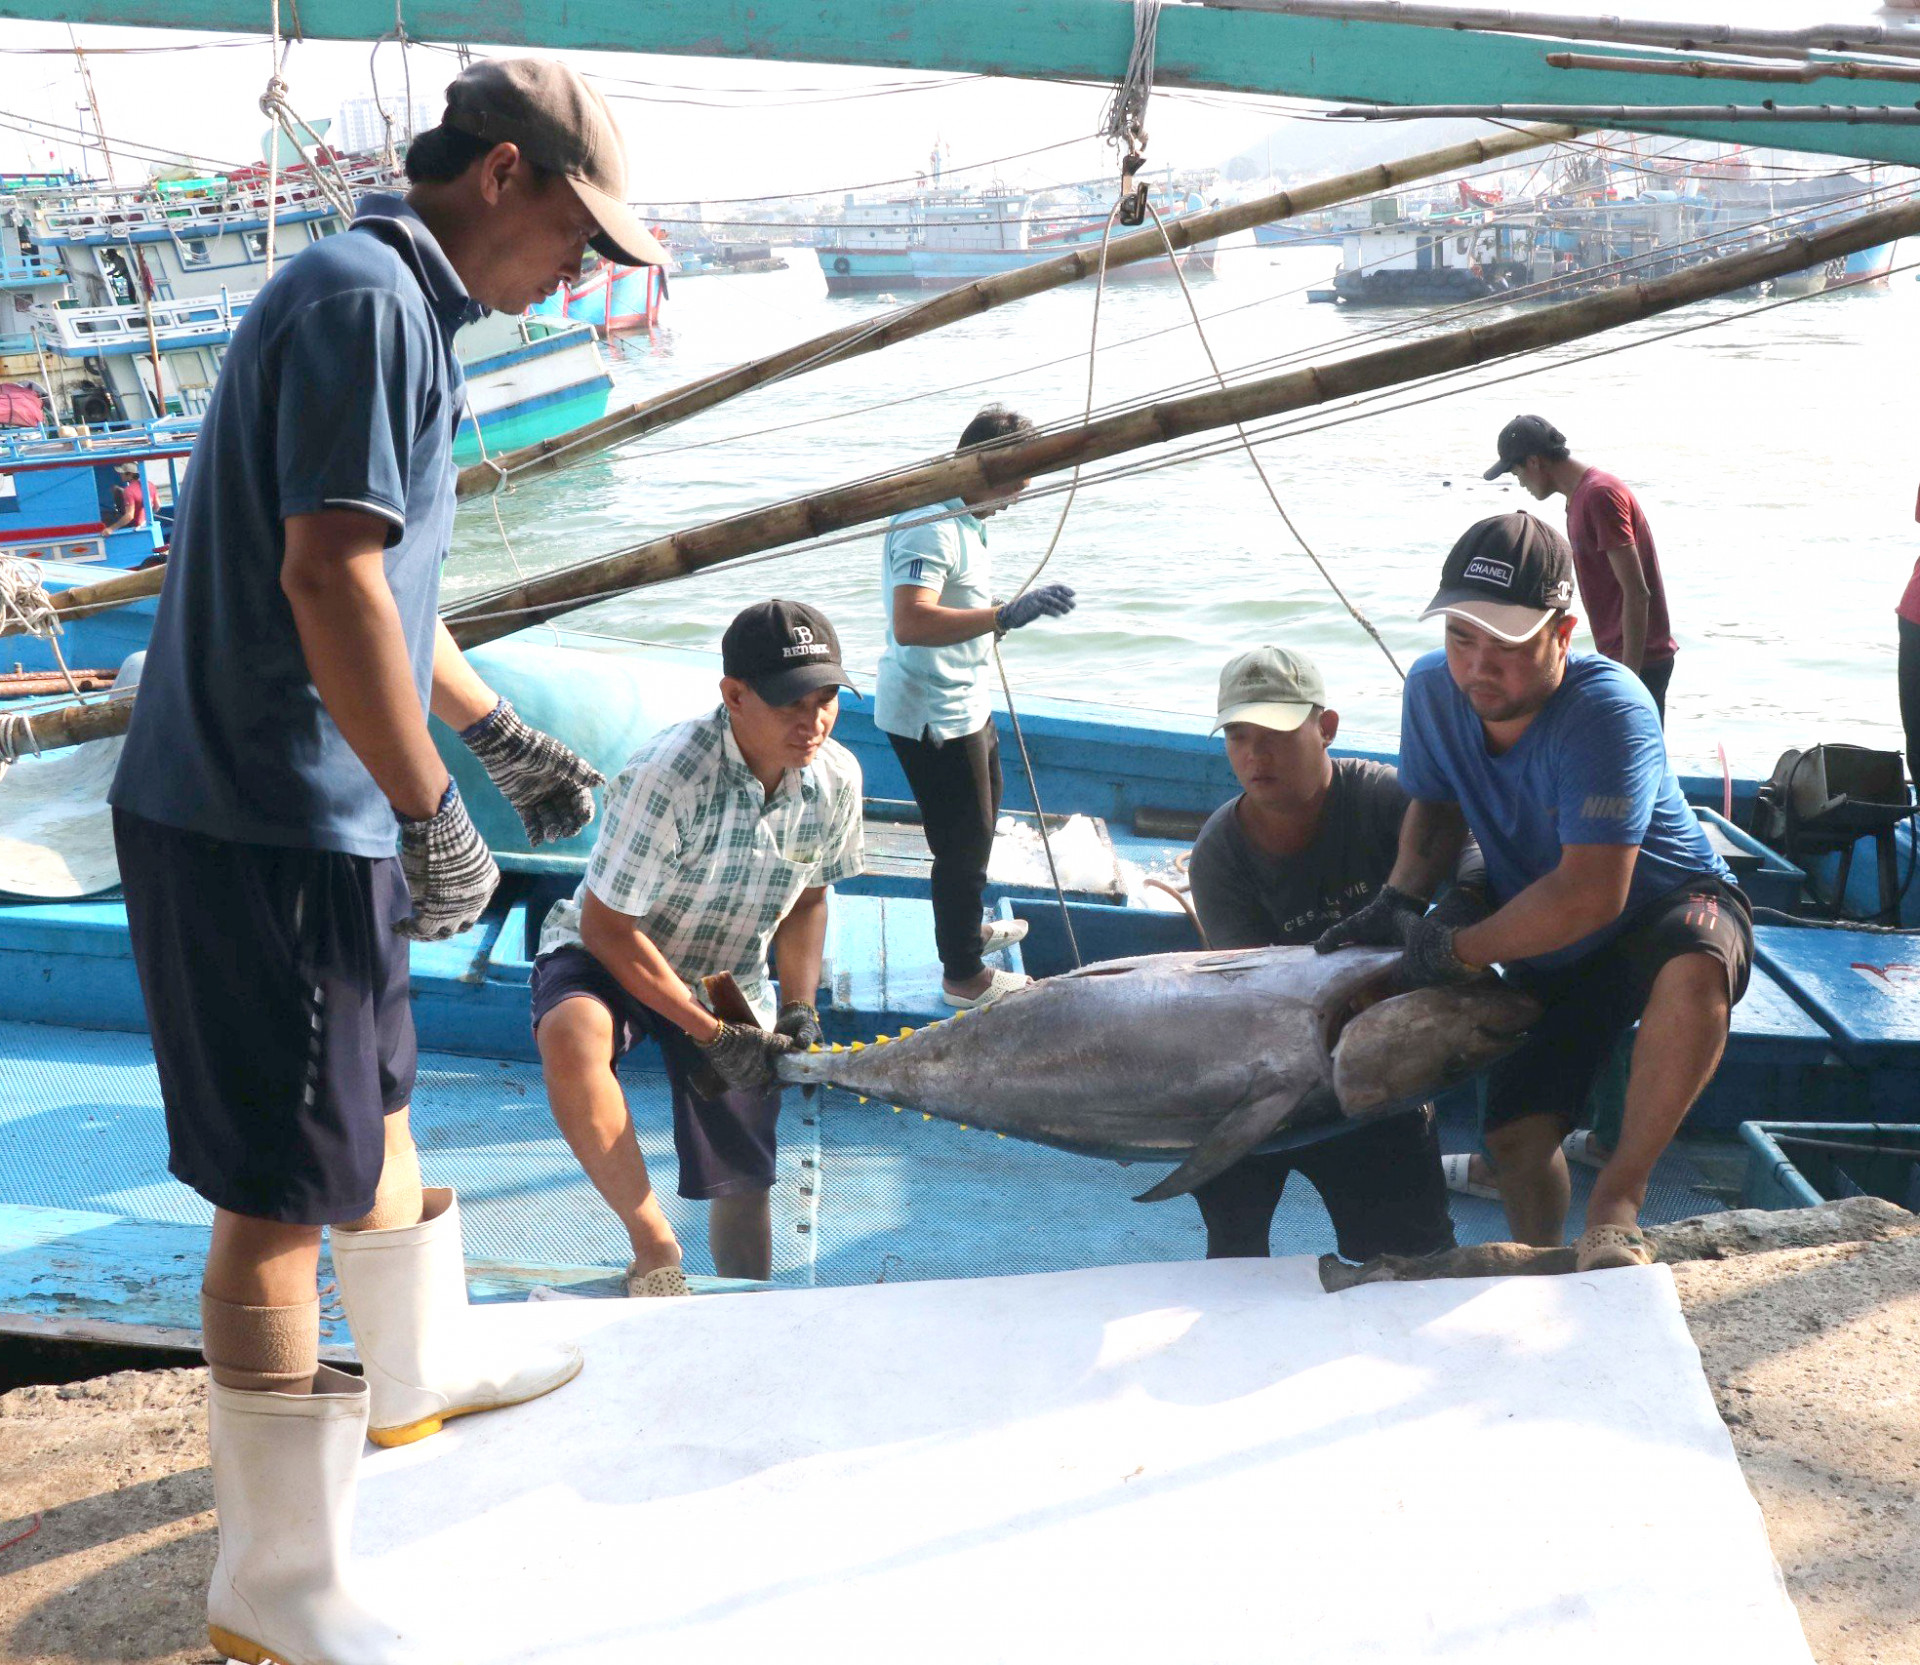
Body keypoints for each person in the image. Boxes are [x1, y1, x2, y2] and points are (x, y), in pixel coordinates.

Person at [106, 58, 662, 1662]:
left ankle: (413, 1376)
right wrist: (431, 810)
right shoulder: (366, 304)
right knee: (279, 1191)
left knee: (379, 1095)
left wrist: (495, 740)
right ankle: (273, 1587)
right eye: (576, 238)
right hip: (260, 813)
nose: (579, 276)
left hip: (310, 805)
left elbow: (397, 592)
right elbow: (329, 579)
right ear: (500, 174)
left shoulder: (387, 304)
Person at [1319, 513, 1751, 1271]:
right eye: (1462, 638)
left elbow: (1591, 894)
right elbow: (1439, 809)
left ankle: (1616, 1204)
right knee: (1515, 1140)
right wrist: (1400, 899)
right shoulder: (1431, 689)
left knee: (1694, 961)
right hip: (1548, 927)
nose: (1480, 668)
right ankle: (1546, 1263)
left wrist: (1451, 951)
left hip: (1662, 902)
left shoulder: (1609, 708)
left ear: (1563, 632)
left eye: (1508, 645)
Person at [534, 600, 864, 1293]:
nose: (813, 722)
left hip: (728, 969)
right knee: (572, 1034)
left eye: (826, 699)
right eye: (789, 703)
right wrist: (710, 1031)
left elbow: (808, 898)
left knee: (744, 1174)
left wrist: (799, 1008)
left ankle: (751, 1298)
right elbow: (605, 927)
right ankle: (652, 1241)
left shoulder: (839, 779)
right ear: (734, 695)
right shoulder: (668, 776)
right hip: (618, 951)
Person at [1186, 645, 1466, 1263]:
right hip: (1264, 1076)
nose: (1255, 757)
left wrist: (1445, 928)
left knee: (1414, 1259)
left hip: (1381, 1069)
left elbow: (1473, 865)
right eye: (1238, 735)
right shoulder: (1220, 854)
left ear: (1326, 728)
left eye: (1277, 735)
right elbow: (1255, 998)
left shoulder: (1386, 800)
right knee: (1232, 1252)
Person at [874, 403, 1076, 1009]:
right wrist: (1002, 614)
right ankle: (963, 976)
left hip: (966, 701)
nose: (1018, 499)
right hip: (932, 712)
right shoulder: (929, 524)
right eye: (1017, 483)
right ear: (987, 467)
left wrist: (1000, 620)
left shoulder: (966, 513)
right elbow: (910, 621)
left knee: (981, 828)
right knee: (961, 848)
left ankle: (966, 933)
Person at [1485, 414, 1678, 723]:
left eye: (1516, 470)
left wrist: (1628, 679)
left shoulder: (1599, 496)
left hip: (1640, 660)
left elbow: (1637, 592)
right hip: (1620, 654)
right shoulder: (1581, 497)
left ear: (1534, 462)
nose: (1519, 482)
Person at [106, 461, 146, 531]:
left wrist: (110, 529)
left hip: (134, 527)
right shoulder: (150, 485)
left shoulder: (129, 491)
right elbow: (156, 507)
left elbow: (129, 516)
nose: (120, 475)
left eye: (122, 473)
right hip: (144, 524)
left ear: (129, 474)